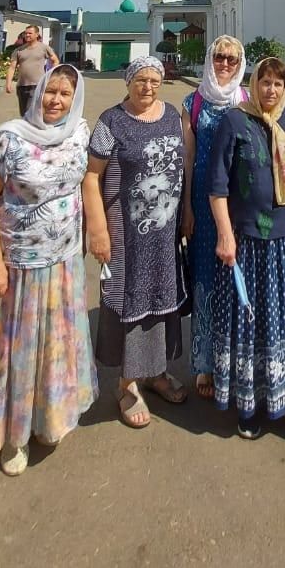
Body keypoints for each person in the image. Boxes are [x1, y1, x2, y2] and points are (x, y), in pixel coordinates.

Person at [0, 64, 97, 475]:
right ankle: (12, 436)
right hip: (17, 264)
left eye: (64, 94)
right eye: (50, 92)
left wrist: (97, 232)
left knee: (56, 345)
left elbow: (88, 184)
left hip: (63, 262)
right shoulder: (9, 137)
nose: (56, 101)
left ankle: (49, 419)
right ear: (37, 92)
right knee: (16, 351)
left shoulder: (80, 132)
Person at [209, 56, 285, 438]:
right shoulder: (235, 120)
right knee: (250, 322)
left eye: (278, 84)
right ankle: (249, 403)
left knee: (283, 317)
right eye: (264, 83)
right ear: (253, 85)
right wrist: (225, 234)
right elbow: (218, 185)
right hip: (247, 241)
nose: (271, 90)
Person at [84, 56, 189, 428]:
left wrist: (186, 215)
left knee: (163, 296)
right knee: (129, 298)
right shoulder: (111, 122)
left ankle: (157, 372)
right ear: (128, 82)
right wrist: (97, 229)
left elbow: (184, 166)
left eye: (154, 80)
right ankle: (127, 383)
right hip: (126, 233)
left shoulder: (172, 115)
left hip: (165, 232)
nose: (147, 87)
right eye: (140, 80)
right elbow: (91, 177)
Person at [180, 36, 248, 399]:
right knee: (205, 274)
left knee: (236, 274)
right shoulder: (193, 102)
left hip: (238, 202)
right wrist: (188, 207)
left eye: (232, 59)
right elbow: (188, 158)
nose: (225, 64)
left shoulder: (246, 101)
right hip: (204, 203)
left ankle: (235, 354)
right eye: (219, 57)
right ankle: (205, 361)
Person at [5, 25, 59, 117]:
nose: (27, 35)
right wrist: (8, 83)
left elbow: (55, 60)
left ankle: (32, 129)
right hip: (22, 86)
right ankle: (28, 128)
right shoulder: (19, 50)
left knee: (31, 111)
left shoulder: (44, 48)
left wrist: (52, 76)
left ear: (37, 34)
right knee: (23, 113)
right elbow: (12, 67)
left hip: (37, 85)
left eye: (30, 33)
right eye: (26, 33)